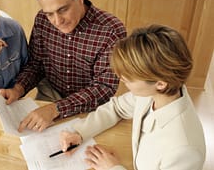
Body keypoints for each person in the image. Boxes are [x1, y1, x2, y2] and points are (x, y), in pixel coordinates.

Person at [60, 24, 206, 170]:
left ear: (160, 84)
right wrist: (80, 132)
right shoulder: (155, 94)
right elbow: (117, 108)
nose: (121, 79)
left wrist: (113, 168)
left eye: (129, 78)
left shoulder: (185, 150)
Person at [0, 0, 126, 132]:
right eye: (50, 13)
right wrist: (18, 88)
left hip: (90, 105)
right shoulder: (42, 20)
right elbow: (36, 64)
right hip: (49, 93)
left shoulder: (111, 31)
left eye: (63, 9)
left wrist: (55, 109)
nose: (57, 21)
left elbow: (104, 87)